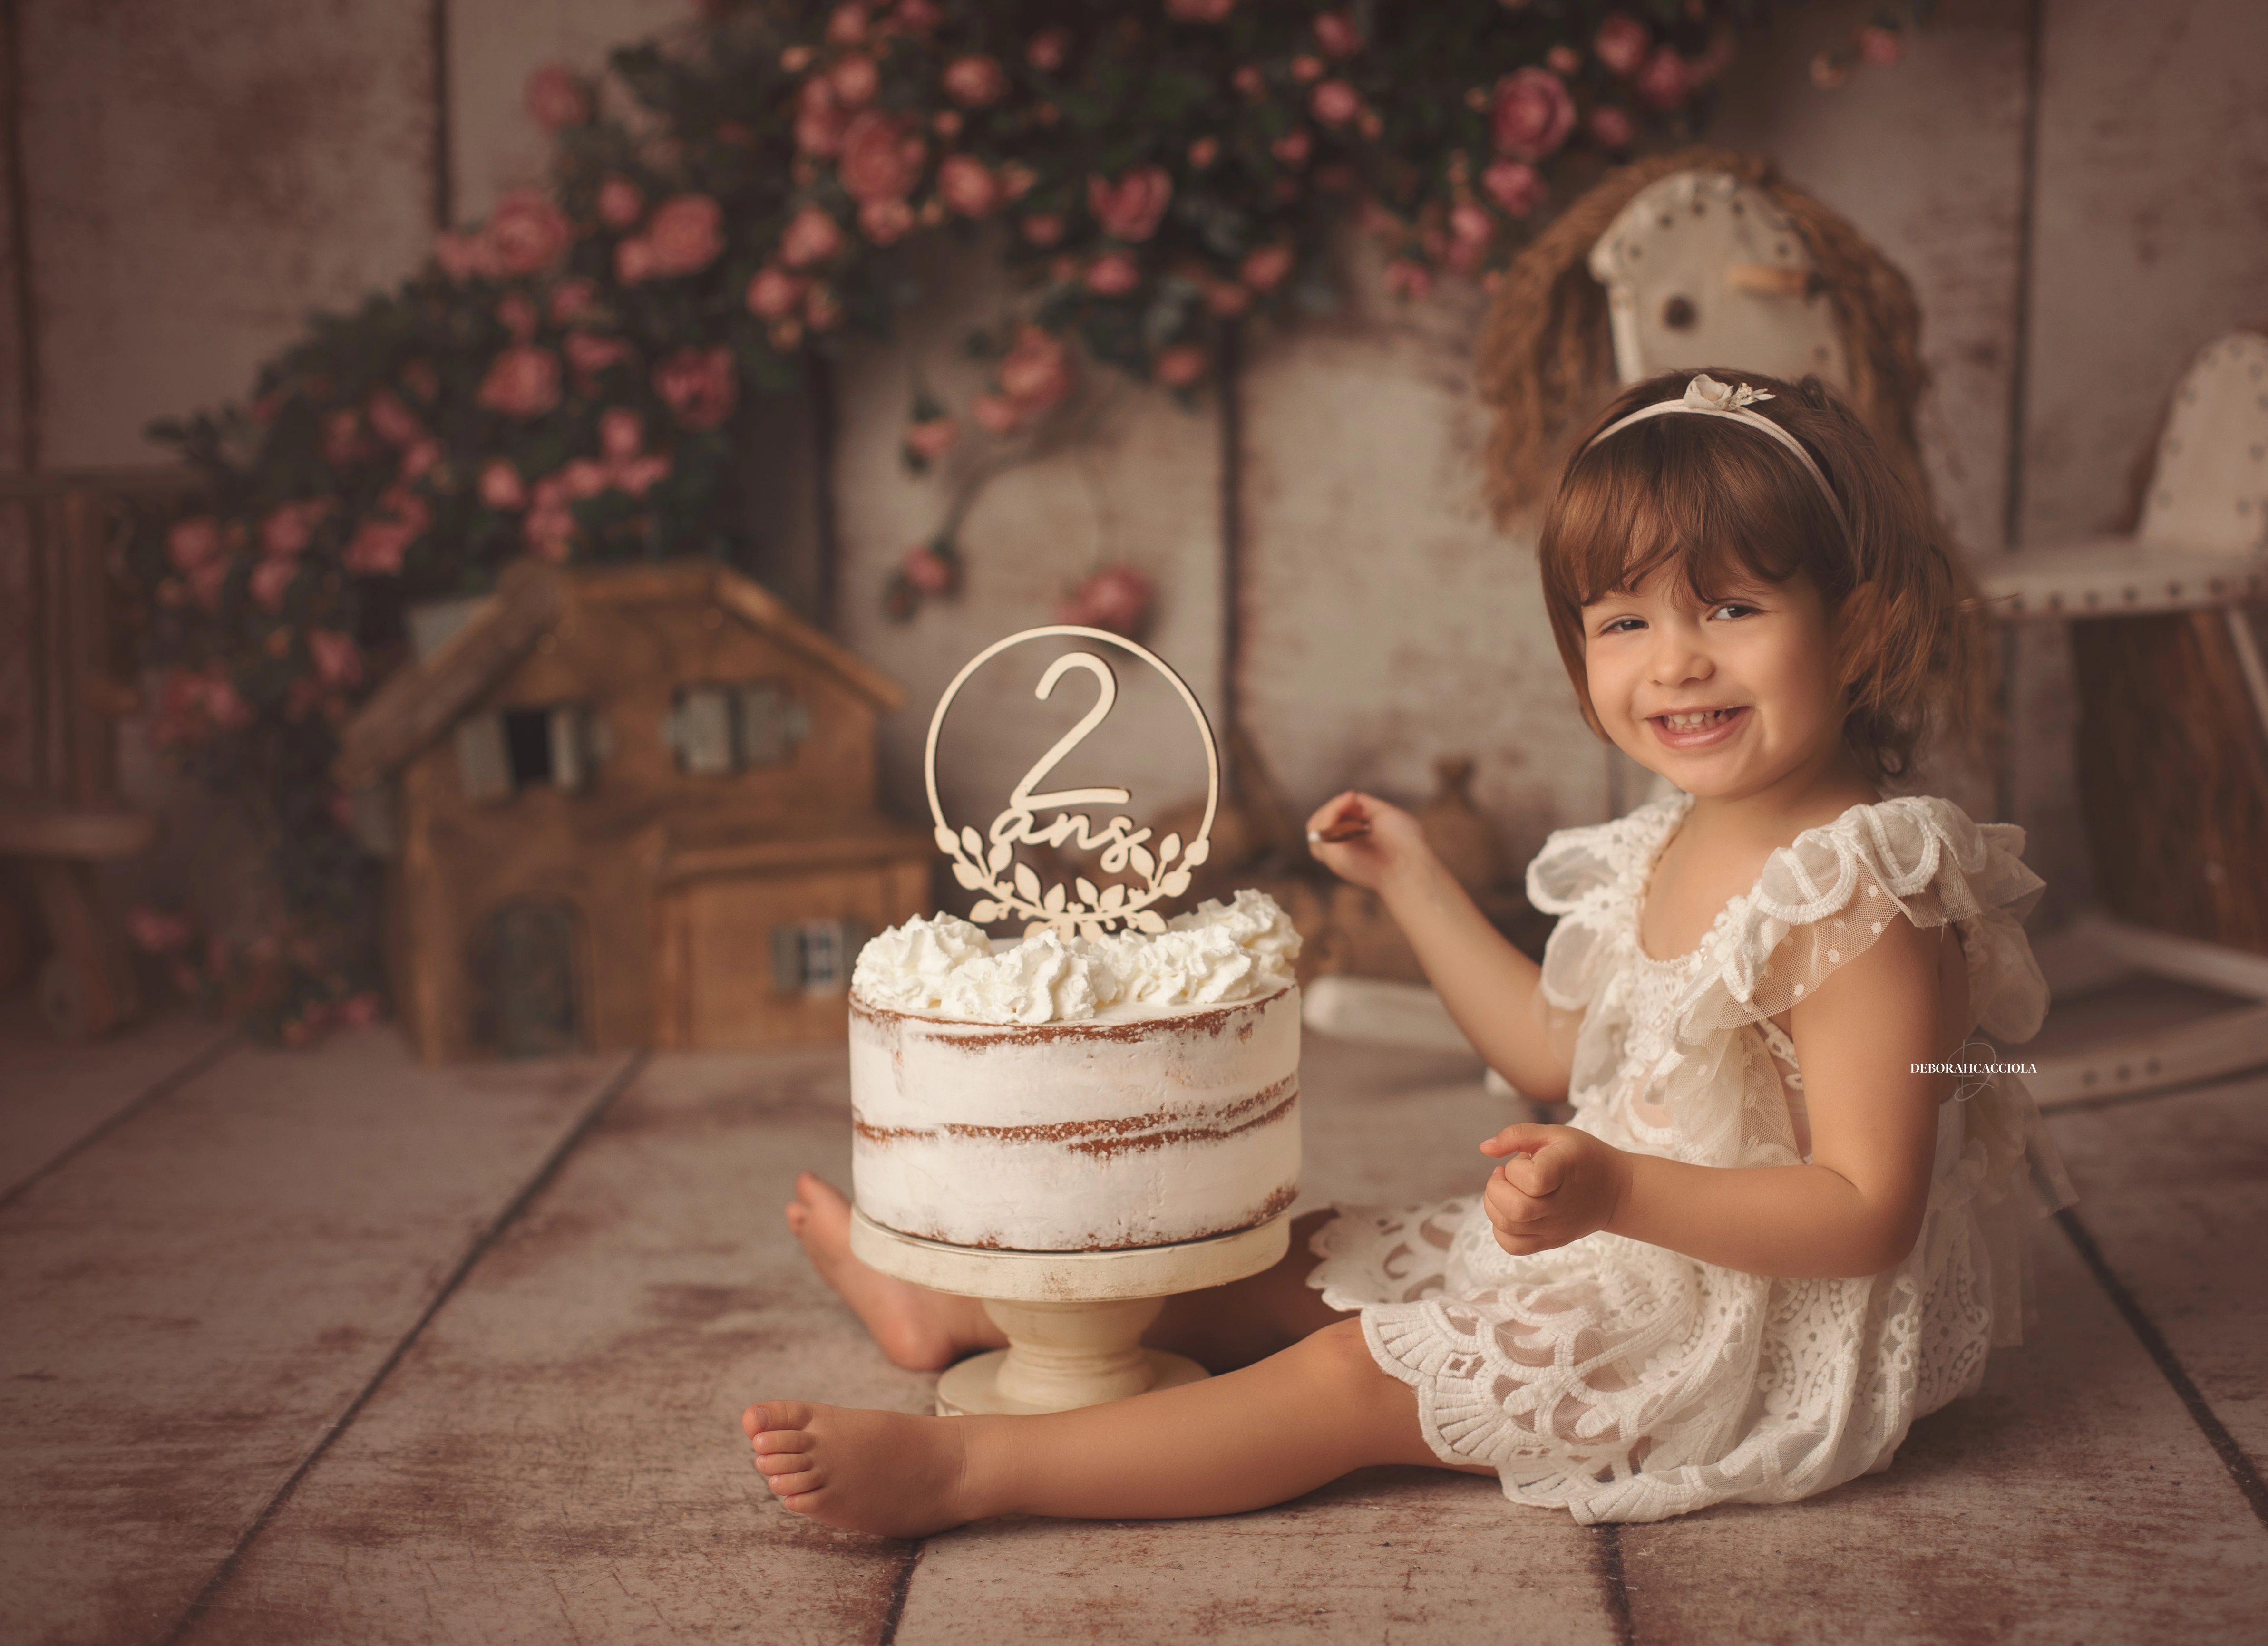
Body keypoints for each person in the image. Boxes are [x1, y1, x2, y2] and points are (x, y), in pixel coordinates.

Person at [744, 367, 2075, 1534]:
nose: (1675, 663)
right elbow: (1555, 1050)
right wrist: (1412, 881)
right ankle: (958, 1313)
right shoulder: (1673, 837)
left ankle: (971, 1470)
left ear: (1856, 626)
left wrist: (1617, 1190)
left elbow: (1865, 1211)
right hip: (1620, 1248)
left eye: (1730, 608)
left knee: (1351, 1380)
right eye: (1625, 622)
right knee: (1284, 1258)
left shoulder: (1862, 895)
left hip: (1736, 1327)